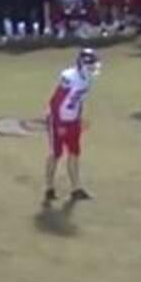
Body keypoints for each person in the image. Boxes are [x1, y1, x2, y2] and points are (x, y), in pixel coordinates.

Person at [45, 48, 101, 203]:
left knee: (74, 152)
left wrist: (78, 118)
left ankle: (76, 189)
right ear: (82, 65)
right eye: (90, 66)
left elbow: (79, 101)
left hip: (72, 120)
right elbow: (55, 102)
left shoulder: (86, 79)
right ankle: (49, 188)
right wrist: (59, 123)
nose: (93, 69)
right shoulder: (69, 77)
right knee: (56, 154)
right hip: (58, 120)